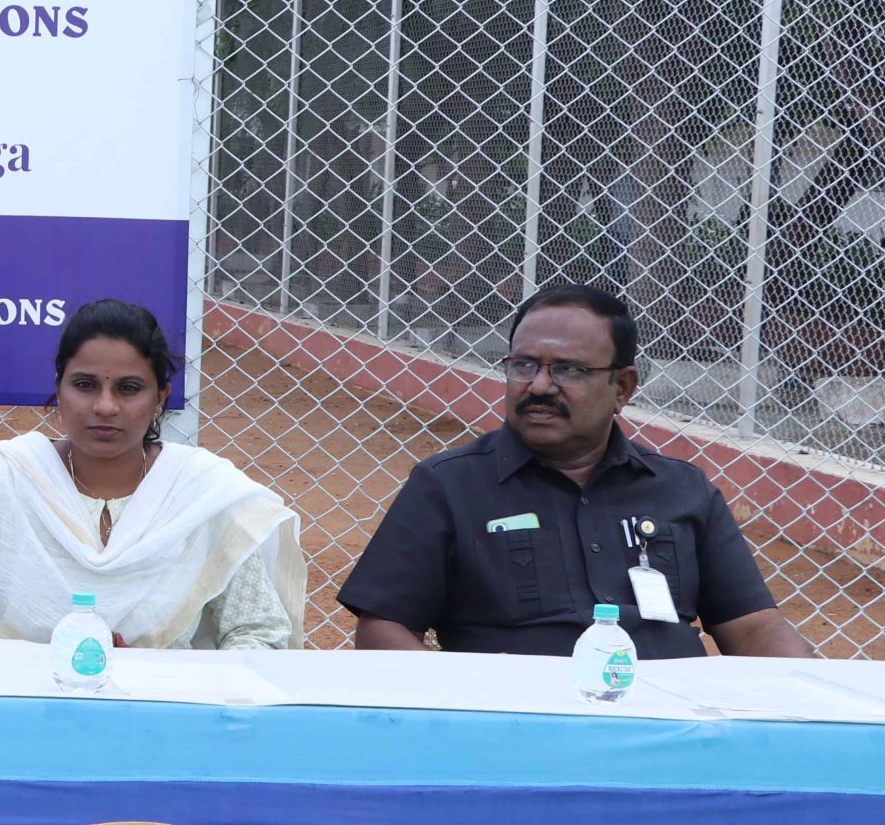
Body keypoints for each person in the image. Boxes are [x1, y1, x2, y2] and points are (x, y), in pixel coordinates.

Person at [340, 281, 815, 657]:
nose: (539, 386)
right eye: (523, 365)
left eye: (568, 370)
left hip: (669, 721)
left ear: (622, 387)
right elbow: (383, 627)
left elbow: (754, 627)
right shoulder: (448, 486)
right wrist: (467, 706)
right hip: (518, 723)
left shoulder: (681, 488)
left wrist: (820, 701)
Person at [0, 298, 304, 648]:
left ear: (160, 396)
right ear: (59, 388)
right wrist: (42, 667)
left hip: (164, 711)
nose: (105, 406)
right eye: (85, 385)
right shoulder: (11, 479)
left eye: (128, 388)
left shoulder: (198, 493)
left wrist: (160, 676)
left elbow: (259, 633)